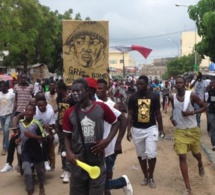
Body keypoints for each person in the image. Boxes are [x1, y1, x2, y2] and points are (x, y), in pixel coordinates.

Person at [63, 78, 119, 195]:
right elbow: (67, 136)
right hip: (78, 162)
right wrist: (68, 152)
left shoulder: (101, 107)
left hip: (97, 160)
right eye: (72, 91)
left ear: (87, 91)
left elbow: (116, 123)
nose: (74, 93)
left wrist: (107, 141)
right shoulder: (69, 113)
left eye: (78, 90)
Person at [170, 76, 206, 195]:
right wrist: (172, 119)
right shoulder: (173, 97)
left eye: (181, 82)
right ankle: (188, 187)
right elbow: (174, 111)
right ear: (175, 85)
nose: (179, 84)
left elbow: (205, 106)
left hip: (192, 130)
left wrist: (192, 112)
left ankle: (200, 163)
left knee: (196, 154)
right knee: (182, 157)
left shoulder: (191, 95)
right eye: (177, 83)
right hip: (180, 130)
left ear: (185, 84)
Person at [127, 75, 165, 189]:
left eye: (141, 84)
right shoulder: (132, 97)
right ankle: (145, 176)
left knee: (151, 154)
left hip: (151, 128)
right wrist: (128, 130)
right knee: (141, 155)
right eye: (137, 84)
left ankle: (151, 176)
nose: (139, 86)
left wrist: (161, 128)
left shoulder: (154, 96)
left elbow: (158, 113)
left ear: (147, 84)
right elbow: (130, 114)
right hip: (137, 129)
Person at [96, 78, 133, 195]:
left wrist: (118, 142)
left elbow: (123, 120)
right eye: (96, 88)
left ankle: (116, 185)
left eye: (100, 88)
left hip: (109, 147)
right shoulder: (93, 103)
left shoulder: (112, 105)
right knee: (98, 176)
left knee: (107, 172)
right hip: (96, 146)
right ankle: (109, 188)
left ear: (107, 89)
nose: (98, 91)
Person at [16, 104, 46, 195]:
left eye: (30, 110)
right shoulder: (21, 122)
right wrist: (19, 139)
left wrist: (33, 136)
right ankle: (30, 191)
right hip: (26, 151)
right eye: (26, 110)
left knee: (40, 172)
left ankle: (41, 186)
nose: (27, 111)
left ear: (34, 113)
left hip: (37, 151)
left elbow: (43, 138)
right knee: (27, 173)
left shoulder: (36, 123)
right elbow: (20, 133)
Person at [56, 80, 75, 183]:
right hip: (60, 126)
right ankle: (64, 168)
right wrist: (57, 123)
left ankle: (69, 171)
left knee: (69, 148)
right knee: (62, 148)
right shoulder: (59, 98)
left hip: (70, 127)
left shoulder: (72, 98)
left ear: (61, 89)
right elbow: (59, 111)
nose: (55, 90)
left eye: (57, 89)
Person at [0, 81, 15, 155]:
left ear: (6, 87)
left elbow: (15, 102)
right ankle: (9, 143)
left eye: (3, 86)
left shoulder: (11, 94)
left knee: (6, 130)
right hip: (1, 115)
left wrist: (13, 113)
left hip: (8, 114)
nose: (1, 88)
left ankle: (4, 148)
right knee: (5, 132)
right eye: (1, 86)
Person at [207, 79, 215, 150]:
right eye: (212, 83)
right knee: (213, 127)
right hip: (211, 111)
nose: (213, 84)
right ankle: (214, 144)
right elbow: (209, 100)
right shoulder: (210, 92)